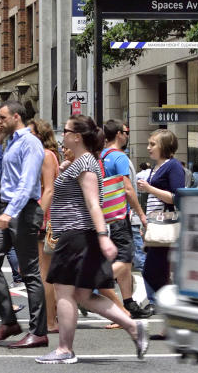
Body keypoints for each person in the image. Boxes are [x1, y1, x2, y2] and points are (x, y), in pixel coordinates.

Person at [36, 115, 148, 364]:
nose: (61, 134)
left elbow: (93, 203)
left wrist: (102, 236)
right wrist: (65, 170)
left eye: (65, 130)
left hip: (77, 235)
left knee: (64, 292)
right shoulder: (81, 162)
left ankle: (65, 349)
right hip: (80, 235)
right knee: (84, 295)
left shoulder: (85, 163)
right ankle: (133, 327)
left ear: (77, 137)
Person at [0, 101, 48, 348]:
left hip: (23, 210)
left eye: (2, 118)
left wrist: (10, 213)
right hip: (8, 209)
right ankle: (8, 321)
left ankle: (38, 331)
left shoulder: (31, 143)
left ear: (16, 117)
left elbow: (28, 183)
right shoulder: (11, 143)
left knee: (30, 272)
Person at [101, 120, 151, 320]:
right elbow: (128, 189)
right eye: (126, 132)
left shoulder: (101, 156)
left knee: (123, 261)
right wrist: (141, 213)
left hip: (104, 216)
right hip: (120, 215)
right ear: (119, 134)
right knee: (126, 257)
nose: (127, 135)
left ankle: (128, 303)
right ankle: (91, 287)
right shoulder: (119, 157)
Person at [136, 129, 185, 304]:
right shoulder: (157, 167)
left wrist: (149, 188)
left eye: (153, 144)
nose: (148, 147)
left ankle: (162, 303)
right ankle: (163, 303)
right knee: (157, 269)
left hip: (165, 224)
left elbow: (177, 197)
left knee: (151, 270)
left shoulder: (173, 166)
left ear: (164, 146)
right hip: (155, 224)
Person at [27, 118, 61, 334]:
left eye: (31, 133)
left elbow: (49, 190)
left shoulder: (46, 156)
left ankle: (50, 321)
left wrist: (39, 217)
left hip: (45, 219)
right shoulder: (43, 155)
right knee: (44, 271)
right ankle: (52, 316)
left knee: (44, 272)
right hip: (45, 217)